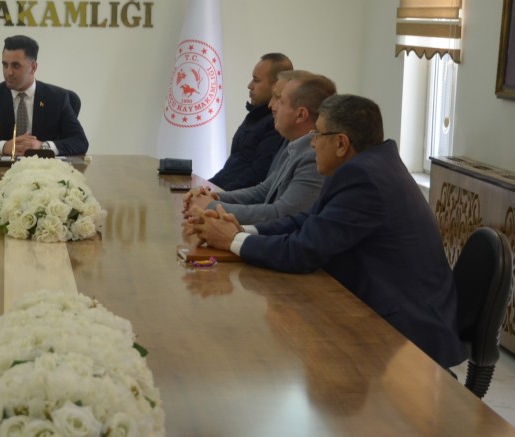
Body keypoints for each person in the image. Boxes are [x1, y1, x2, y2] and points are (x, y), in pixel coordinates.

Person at [187, 94, 466, 368]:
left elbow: (303, 251)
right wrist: (243, 229)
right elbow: (307, 220)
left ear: (341, 143)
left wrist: (232, 240)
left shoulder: (364, 178)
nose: (312, 143)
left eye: (317, 134)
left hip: (405, 335)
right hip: (387, 310)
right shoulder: (367, 166)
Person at [183, 70, 331, 224]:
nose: (271, 105)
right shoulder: (293, 144)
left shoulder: (313, 157)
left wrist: (211, 206)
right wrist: (215, 197)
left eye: (280, 101)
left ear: (301, 115)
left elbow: (281, 214)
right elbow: (263, 191)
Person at [0, 35, 89, 156]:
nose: (8, 72)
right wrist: (4, 146)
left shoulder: (57, 98)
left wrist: (43, 146)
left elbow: (80, 141)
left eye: (16, 65)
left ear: (33, 67)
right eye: (5, 65)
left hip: (44, 168)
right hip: (0, 168)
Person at [207, 53, 292, 191]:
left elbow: (256, 176)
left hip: (235, 199)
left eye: (256, 80)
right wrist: (205, 187)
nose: (249, 85)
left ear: (276, 85)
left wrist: (217, 195)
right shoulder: (255, 115)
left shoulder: (276, 124)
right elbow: (232, 167)